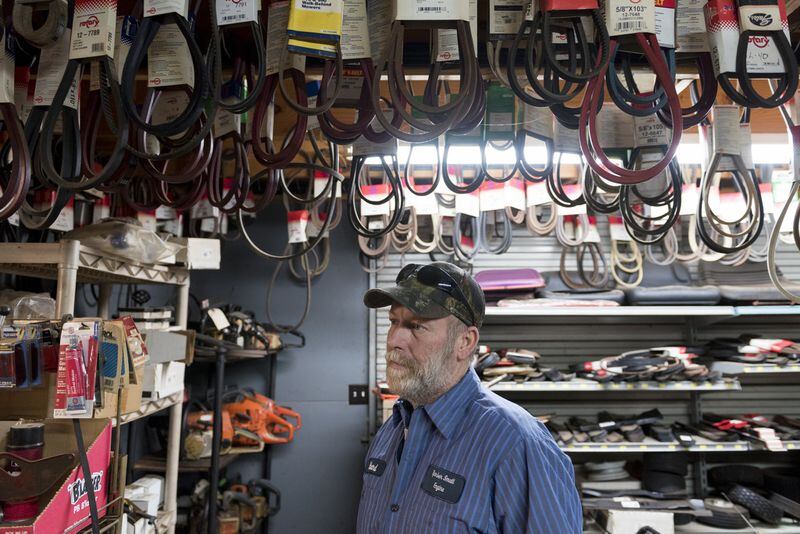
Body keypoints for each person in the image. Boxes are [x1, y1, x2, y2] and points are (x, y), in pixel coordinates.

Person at [357, 261, 582, 533]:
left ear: (464, 342)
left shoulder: (515, 443)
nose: (395, 340)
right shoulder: (390, 432)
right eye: (394, 322)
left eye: (416, 326)